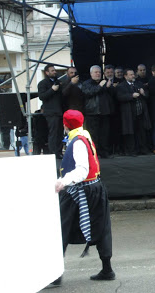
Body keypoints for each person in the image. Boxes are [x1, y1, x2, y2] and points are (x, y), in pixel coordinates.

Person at [51, 110, 114, 287]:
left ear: (65, 124)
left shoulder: (78, 141)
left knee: (61, 228)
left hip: (80, 190)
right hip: (94, 187)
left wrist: (63, 181)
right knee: (102, 228)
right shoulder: (83, 135)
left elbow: (82, 170)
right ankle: (107, 269)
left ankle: (56, 275)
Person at [116, 68, 151, 156]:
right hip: (129, 113)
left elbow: (147, 95)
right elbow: (120, 97)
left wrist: (143, 93)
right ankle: (131, 150)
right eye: (130, 75)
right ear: (125, 76)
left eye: (133, 74)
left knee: (141, 132)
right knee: (131, 132)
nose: (133, 76)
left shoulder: (138, 84)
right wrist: (131, 95)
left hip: (140, 112)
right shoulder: (121, 86)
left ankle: (142, 149)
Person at [81, 65, 114, 159]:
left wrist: (108, 87)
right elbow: (89, 93)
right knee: (93, 134)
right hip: (92, 112)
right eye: (96, 72)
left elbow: (112, 95)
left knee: (104, 133)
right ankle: (94, 153)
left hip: (104, 112)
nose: (98, 74)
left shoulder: (104, 82)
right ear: (91, 73)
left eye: (99, 72)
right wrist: (100, 86)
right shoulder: (87, 83)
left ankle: (104, 152)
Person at [37, 64, 64, 158]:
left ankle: (59, 151)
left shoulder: (58, 82)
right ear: (47, 72)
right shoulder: (43, 83)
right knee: (53, 133)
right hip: (51, 112)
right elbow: (42, 96)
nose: (54, 72)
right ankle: (53, 153)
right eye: (52, 70)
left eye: (54, 70)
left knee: (60, 133)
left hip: (60, 111)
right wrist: (52, 90)